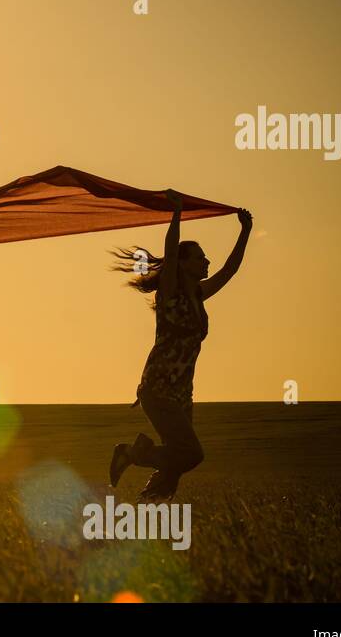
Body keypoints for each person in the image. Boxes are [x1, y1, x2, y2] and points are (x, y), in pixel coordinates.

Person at [107, 190, 252, 501]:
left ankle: (151, 502)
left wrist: (245, 231)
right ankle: (131, 454)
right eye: (199, 257)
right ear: (184, 264)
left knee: (176, 462)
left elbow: (230, 270)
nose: (207, 260)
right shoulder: (169, 294)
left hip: (182, 392)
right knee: (191, 454)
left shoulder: (198, 295)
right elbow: (170, 253)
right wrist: (177, 212)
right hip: (159, 387)